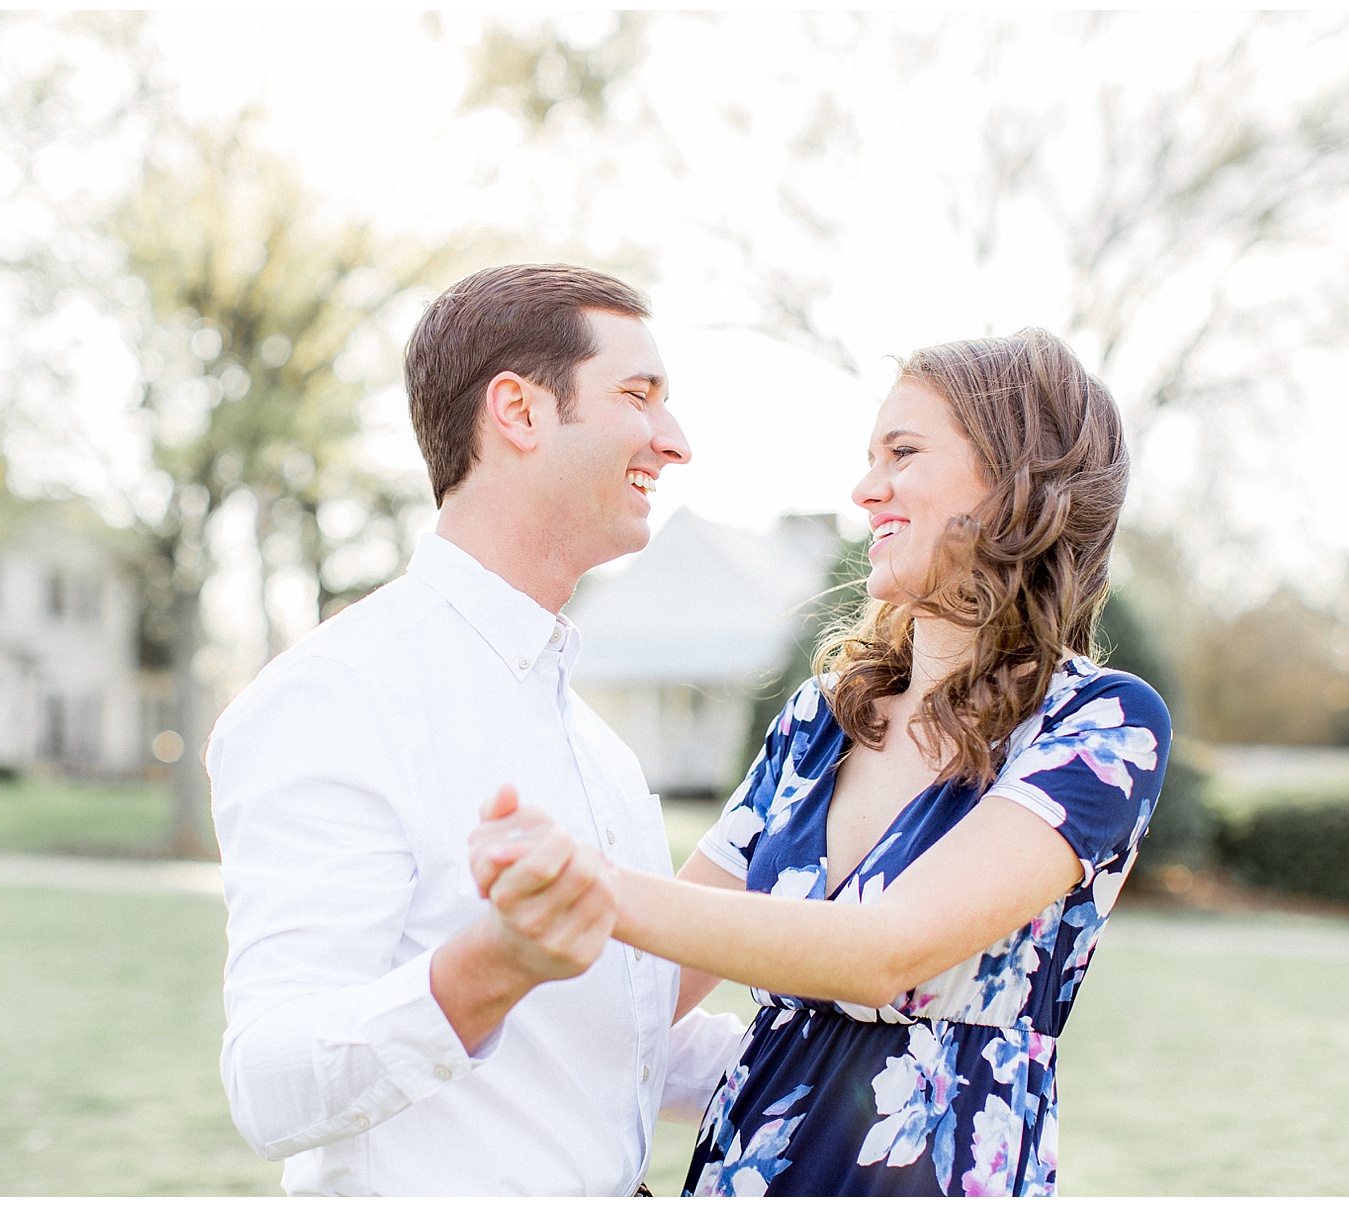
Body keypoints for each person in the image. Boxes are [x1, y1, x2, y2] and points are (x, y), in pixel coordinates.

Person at [473, 328, 1172, 1196]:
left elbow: (884, 952)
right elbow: (649, 988)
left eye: (902, 452)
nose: (865, 487)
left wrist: (593, 882)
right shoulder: (819, 721)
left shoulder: (1102, 724)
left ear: (1018, 480)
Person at [206, 264, 747, 1196]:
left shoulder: (597, 748)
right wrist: (492, 966)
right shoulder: (336, 696)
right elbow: (271, 1084)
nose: (676, 440)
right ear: (519, 412)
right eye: (638, 395)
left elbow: (609, 1040)